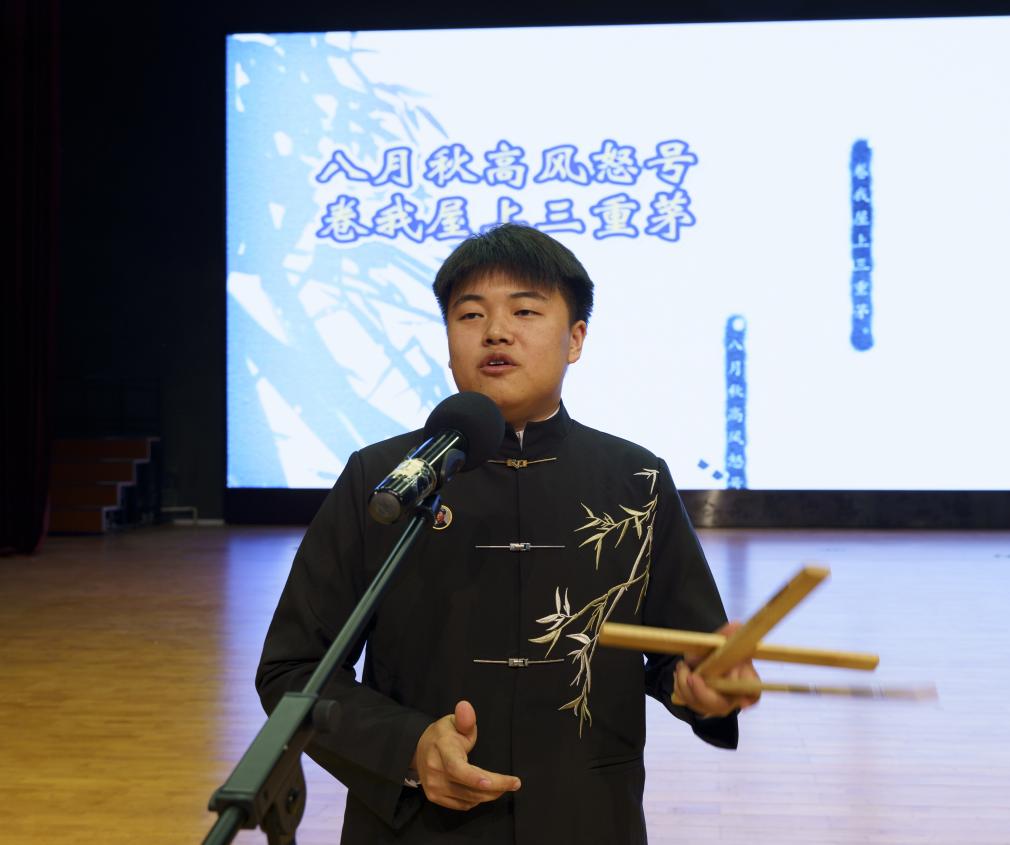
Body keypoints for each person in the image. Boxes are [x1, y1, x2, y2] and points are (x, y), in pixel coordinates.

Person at [256, 224, 760, 844]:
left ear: (576, 339)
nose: (495, 331)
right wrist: (409, 747)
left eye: (525, 311)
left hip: (588, 819)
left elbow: (686, 659)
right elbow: (292, 669)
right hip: (417, 827)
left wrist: (707, 689)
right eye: (470, 315)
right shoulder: (382, 480)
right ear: (448, 343)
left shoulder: (636, 480)